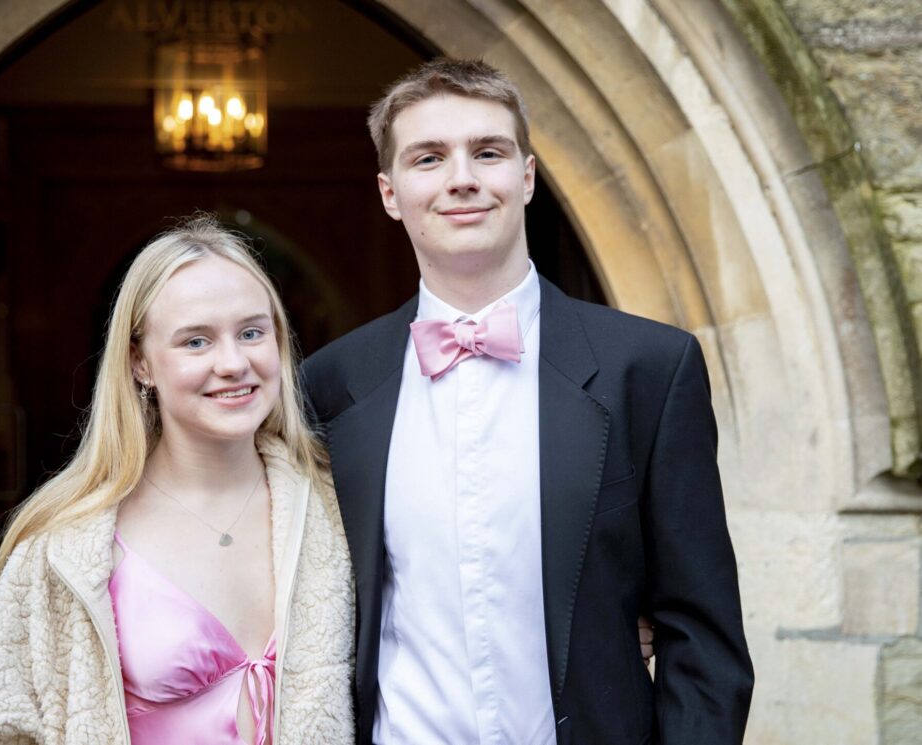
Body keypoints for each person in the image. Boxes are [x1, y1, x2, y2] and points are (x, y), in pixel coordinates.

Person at [302, 59, 754, 744]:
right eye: (429, 158)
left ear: (528, 177)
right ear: (391, 193)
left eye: (488, 152)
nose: (462, 177)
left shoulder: (650, 370)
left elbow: (704, 638)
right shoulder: (330, 384)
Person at [0, 215, 354, 744]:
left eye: (252, 332)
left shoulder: (338, 506)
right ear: (140, 363)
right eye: (196, 342)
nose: (233, 363)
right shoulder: (66, 547)